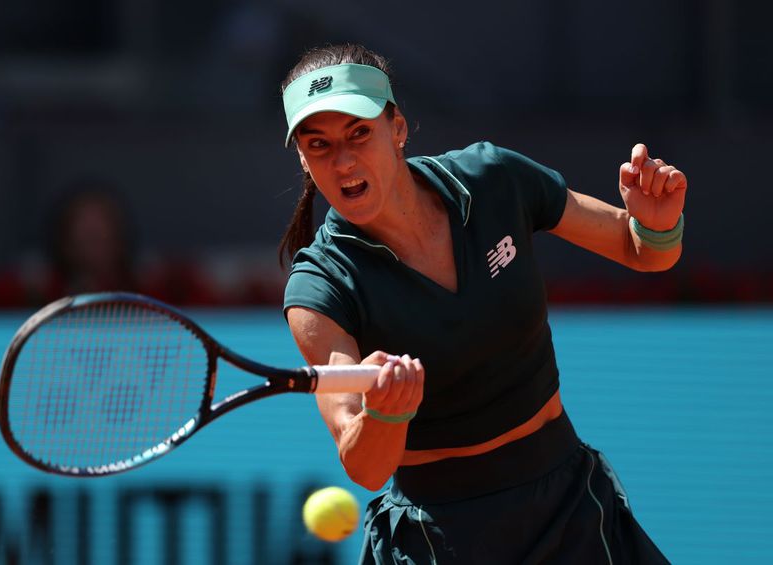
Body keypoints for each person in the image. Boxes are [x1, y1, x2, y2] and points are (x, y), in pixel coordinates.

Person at [279, 44, 684, 564]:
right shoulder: (319, 286)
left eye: (360, 132)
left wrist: (657, 223)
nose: (343, 160)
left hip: (568, 507)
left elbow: (642, 251)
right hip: (439, 540)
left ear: (397, 127)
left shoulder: (493, 179)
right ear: (304, 160)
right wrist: (384, 415)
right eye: (319, 145)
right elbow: (364, 466)